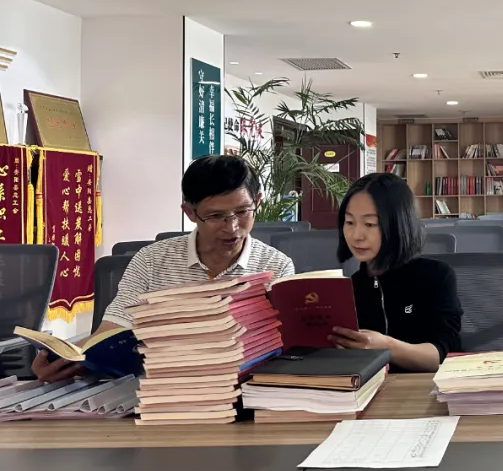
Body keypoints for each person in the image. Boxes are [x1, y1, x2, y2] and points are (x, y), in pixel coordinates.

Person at [32, 155, 295, 382]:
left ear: (258, 201)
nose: (232, 227)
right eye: (216, 216)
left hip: (240, 390)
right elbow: (114, 328)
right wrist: (65, 357)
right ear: (189, 213)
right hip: (161, 391)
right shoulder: (151, 260)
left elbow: (282, 345)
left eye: (243, 212)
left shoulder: (275, 265)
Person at [328, 173, 462, 372]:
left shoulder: (436, 276)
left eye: (369, 224)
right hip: (368, 388)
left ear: (397, 224)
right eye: (349, 222)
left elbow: (443, 354)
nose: (356, 235)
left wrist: (386, 347)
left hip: (427, 387)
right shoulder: (351, 287)